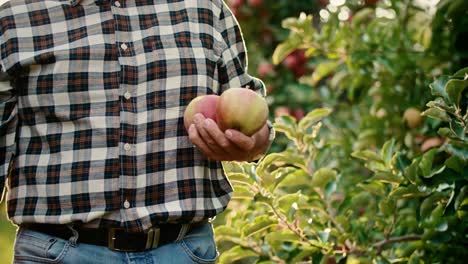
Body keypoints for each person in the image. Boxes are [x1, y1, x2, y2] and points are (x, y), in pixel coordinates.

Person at [0, 0, 274, 263]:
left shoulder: (205, 8)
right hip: (59, 254)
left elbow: (254, 121)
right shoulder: (17, 17)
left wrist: (249, 143)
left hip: (183, 252)